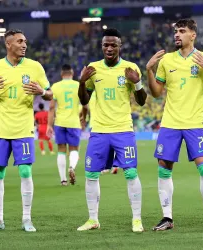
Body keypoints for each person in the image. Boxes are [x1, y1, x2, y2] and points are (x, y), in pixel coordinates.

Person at [146, 19, 203, 232]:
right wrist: (149, 70)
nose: (177, 35)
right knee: (164, 169)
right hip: (170, 123)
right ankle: (167, 217)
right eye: (175, 31)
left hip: (195, 123)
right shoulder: (167, 60)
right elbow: (156, 92)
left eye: (182, 31)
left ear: (193, 35)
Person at [0, 29, 53, 232]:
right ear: (8, 44)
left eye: (25, 41)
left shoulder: (35, 67)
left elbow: (50, 94)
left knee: (25, 170)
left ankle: (26, 219)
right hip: (0, 129)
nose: (24, 45)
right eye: (19, 41)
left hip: (24, 128)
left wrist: (42, 92)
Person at [77, 28, 147, 232]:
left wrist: (137, 82)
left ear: (120, 46)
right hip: (99, 130)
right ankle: (92, 219)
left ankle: (136, 219)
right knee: (91, 174)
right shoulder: (93, 69)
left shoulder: (130, 68)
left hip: (123, 129)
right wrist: (81, 81)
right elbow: (84, 99)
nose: (109, 48)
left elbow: (142, 102)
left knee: (131, 172)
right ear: (101, 46)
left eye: (113, 45)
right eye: (105, 45)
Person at [47, 64, 86, 186]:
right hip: (74, 122)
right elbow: (85, 105)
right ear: (72, 73)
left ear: (61, 74)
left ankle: (63, 180)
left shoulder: (56, 86)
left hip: (60, 122)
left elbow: (52, 108)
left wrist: (49, 125)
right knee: (74, 149)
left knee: (61, 150)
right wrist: (83, 118)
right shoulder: (78, 85)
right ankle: (71, 167)